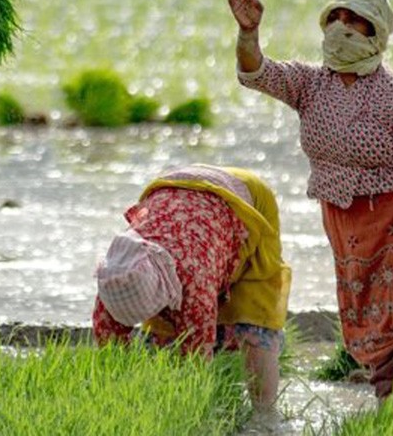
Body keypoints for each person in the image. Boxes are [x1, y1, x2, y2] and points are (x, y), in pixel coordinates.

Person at [227, 0, 393, 401]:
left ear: (377, 33)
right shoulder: (311, 85)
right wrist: (248, 32)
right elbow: (255, 71)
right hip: (344, 222)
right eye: (336, 18)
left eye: (356, 21)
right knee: (363, 315)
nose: (342, 27)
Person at [92, 164, 292, 408]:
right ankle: (233, 395)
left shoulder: (193, 284)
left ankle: (265, 415)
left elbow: (196, 366)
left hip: (247, 197)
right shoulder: (115, 277)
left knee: (255, 319)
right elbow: (110, 357)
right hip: (175, 185)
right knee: (166, 333)